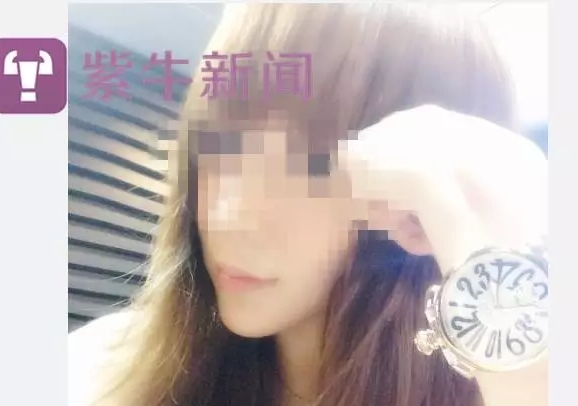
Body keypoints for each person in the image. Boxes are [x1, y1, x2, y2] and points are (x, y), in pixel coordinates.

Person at [68, 3, 548, 406]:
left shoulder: (512, 389)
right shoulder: (101, 368)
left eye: (310, 164)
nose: (229, 214)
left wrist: (503, 245)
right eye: (220, 145)